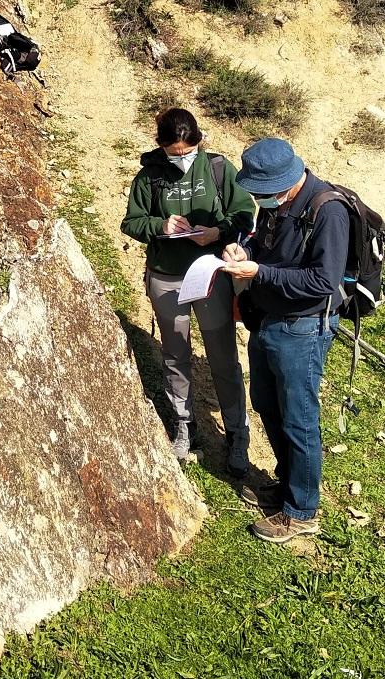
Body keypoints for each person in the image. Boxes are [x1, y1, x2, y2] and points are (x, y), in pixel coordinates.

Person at [222, 137, 349, 543]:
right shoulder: (278, 202)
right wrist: (244, 251)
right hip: (269, 322)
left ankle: (302, 511)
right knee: (268, 405)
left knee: (299, 419)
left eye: (263, 192)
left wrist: (259, 274)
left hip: (304, 328)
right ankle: (287, 484)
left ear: (286, 180)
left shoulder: (327, 211)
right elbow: (265, 244)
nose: (259, 199)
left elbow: (322, 281)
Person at [121, 108, 254, 476]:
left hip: (209, 275)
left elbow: (244, 213)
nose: (181, 158)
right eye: (174, 153)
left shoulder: (217, 169)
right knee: (175, 354)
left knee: (223, 357)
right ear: (161, 146)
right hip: (166, 277)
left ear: (198, 142)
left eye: (187, 151)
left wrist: (218, 232)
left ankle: (237, 434)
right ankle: (184, 425)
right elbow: (131, 221)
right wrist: (159, 225)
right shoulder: (149, 177)